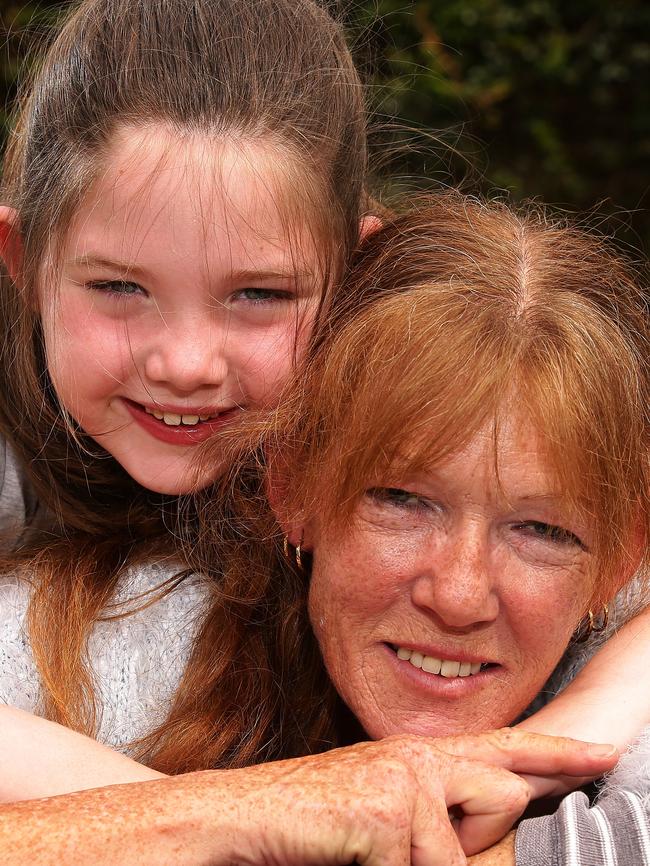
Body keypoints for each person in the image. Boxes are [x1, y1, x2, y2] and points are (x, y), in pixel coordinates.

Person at [0, 193, 647, 866]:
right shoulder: (80, 650)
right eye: (401, 499)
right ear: (293, 488)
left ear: (622, 556)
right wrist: (241, 809)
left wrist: (585, 718)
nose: (458, 596)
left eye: (541, 531)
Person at [0, 0, 371, 758]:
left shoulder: (433, 410)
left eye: (259, 295)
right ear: (23, 263)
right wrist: (212, 820)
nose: (186, 364)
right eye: (120, 289)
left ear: (357, 274)